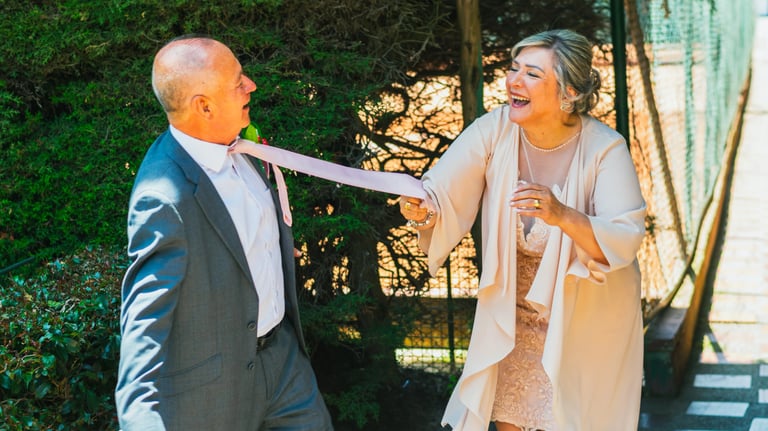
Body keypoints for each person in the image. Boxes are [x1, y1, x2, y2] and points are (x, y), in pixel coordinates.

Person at [399, 29, 646, 431]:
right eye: (513, 69)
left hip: (587, 322)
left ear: (568, 92)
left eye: (532, 74)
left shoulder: (606, 148)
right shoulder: (494, 130)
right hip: (513, 321)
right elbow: (439, 193)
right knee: (509, 419)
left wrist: (562, 214)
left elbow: (626, 237)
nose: (513, 80)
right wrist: (421, 210)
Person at [115, 35, 333, 431]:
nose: (250, 85)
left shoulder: (234, 144)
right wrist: (138, 418)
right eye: (238, 81)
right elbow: (144, 319)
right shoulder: (163, 198)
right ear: (204, 106)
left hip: (285, 366)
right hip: (215, 391)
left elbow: (239, 240)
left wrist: (272, 249)